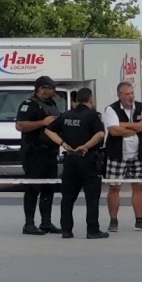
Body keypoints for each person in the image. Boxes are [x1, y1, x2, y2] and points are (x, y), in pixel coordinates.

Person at [52, 84, 107, 240]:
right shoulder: (92, 115)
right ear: (90, 99)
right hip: (88, 159)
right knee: (91, 197)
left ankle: (66, 230)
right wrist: (86, 146)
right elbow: (100, 134)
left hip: (70, 159)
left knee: (68, 197)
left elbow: (49, 130)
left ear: (76, 100)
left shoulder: (66, 115)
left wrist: (63, 144)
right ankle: (92, 230)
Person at [104, 80, 142, 232]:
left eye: (131, 93)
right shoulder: (111, 109)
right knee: (114, 188)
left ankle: (139, 221)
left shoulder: (141, 107)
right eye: (126, 94)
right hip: (117, 156)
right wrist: (137, 127)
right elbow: (114, 131)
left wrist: (125, 125)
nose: (130, 97)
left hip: (138, 155)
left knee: (138, 187)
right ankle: (113, 221)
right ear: (119, 96)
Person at [16, 77, 63, 234]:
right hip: (34, 152)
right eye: (47, 88)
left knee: (49, 188)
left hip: (49, 152)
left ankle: (46, 222)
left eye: (51, 88)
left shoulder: (52, 104)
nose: (50, 91)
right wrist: (42, 122)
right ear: (40, 88)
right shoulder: (28, 105)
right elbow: (20, 125)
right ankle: (29, 224)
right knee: (33, 188)